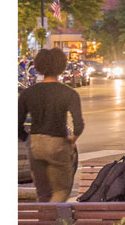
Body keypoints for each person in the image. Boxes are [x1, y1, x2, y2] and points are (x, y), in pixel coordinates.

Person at [18, 48, 85, 202]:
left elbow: (18, 123)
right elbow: (79, 125)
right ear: (61, 67)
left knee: (42, 192)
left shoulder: (28, 93)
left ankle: (44, 223)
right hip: (58, 142)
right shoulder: (69, 93)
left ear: (39, 67)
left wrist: (28, 140)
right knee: (61, 190)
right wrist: (72, 141)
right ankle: (57, 223)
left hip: (35, 144)